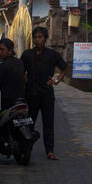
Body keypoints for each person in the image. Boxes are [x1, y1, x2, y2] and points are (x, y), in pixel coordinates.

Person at [22, 28, 67, 160]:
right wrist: (24, 78)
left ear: (45, 39)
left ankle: (50, 151)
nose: (37, 40)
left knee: (48, 123)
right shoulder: (27, 54)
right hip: (31, 94)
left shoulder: (52, 54)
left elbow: (64, 68)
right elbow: (21, 69)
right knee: (29, 123)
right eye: (35, 37)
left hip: (47, 94)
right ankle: (26, 149)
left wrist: (57, 80)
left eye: (40, 37)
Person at [0, 37, 26, 110]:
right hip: (21, 98)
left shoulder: (3, 66)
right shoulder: (20, 62)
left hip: (6, 101)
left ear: (10, 51)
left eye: (2, 50)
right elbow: (25, 79)